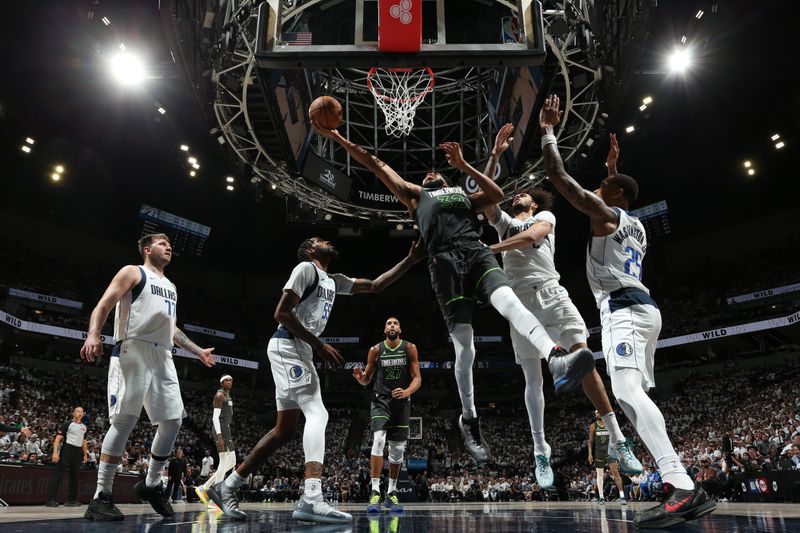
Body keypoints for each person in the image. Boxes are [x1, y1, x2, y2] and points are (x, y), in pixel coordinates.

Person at [312, 121, 595, 465]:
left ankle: (556, 357)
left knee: (509, 302)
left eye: (437, 173)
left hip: (476, 251)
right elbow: (375, 163)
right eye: (428, 174)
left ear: (446, 180)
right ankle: (470, 418)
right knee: (467, 349)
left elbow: (495, 195)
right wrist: (338, 137)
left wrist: (475, 162)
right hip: (443, 263)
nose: (431, 173)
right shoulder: (414, 195)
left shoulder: (462, 194)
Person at [539, 94, 716, 528]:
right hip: (642, 307)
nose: (597, 191)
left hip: (623, 310)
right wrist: (613, 171)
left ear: (614, 195)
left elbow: (560, 179)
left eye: (604, 188)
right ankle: (678, 484)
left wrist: (547, 131)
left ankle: (683, 485)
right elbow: (615, 200)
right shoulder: (633, 223)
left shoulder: (604, 212)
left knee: (628, 394)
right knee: (630, 395)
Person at [209, 236, 423, 523]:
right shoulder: (305, 269)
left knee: (284, 431)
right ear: (311, 249)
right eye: (321, 240)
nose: (328, 241)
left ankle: (228, 486)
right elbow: (281, 313)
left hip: (299, 349)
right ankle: (311, 497)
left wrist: (410, 260)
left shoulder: (332, 280)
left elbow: (375, 285)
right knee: (318, 413)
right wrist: (319, 345)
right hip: (289, 346)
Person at [483, 124, 641, 488]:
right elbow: (486, 198)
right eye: (515, 194)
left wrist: (489, 251)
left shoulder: (545, 218)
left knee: (585, 360)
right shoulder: (504, 224)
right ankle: (541, 449)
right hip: (521, 302)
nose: (516, 196)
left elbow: (532, 238)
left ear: (534, 203)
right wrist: (494, 155)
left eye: (523, 194)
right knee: (532, 379)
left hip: (552, 293)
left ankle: (619, 440)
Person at [80, 233, 216, 521]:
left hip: (163, 355)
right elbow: (103, 305)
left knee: (173, 421)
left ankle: (152, 484)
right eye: (162, 243)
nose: (169, 247)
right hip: (133, 347)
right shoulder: (133, 272)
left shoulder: (171, 286)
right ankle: (101, 495)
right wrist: (93, 334)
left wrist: (197, 351)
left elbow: (173, 330)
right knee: (125, 420)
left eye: (170, 245)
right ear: (146, 248)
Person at [353, 316, 421, 513]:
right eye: (389, 323)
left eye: (396, 323)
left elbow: (417, 377)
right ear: (385, 330)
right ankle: (375, 492)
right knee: (379, 440)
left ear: (400, 329)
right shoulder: (375, 350)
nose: (392, 325)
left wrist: (408, 391)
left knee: (397, 449)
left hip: (401, 402)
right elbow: (367, 379)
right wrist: (361, 379)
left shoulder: (409, 348)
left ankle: (391, 493)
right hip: (381, 400)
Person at [196, 375, 236, 507]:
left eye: (230, 380)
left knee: (231, 462)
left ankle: (205, 487)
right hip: (221, 429)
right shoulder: (219, 395)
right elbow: (215, 418)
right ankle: (214, 499)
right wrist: (219, 436)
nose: (229, 382)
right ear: (221, 383)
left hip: (226, 429)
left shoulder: (228, 395)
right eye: (226, 380)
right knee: (224, 462)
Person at [46, 406, 89, 507]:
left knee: (75, 476)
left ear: (83, 414)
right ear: (73, 413)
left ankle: (71, 500)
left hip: (78, 452)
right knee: (58, 474)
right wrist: (55, 453)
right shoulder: (67, 424)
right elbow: (57, 439)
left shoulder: (84, 426)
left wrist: (85, 454)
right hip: (67, 449)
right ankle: (51, 500)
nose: (79, 413)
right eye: (77, 411)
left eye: (81, 412)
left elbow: (84, 441)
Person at [588, 410, 626, 504]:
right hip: (598, 452)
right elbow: (590, 441)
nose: (599, 413)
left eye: (600, 412)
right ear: (595, 415)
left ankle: (622, 496)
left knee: (615, 473)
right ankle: (601, 497)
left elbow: (616, 438)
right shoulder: (593, 426)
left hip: (610, 451)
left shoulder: (609, 425)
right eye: (597, 412)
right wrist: (590, 454)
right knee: (600, 475)